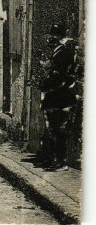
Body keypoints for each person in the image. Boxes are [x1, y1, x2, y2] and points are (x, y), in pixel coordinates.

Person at [37, 24, 78, 170]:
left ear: (59, 37)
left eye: (53, 36)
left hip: (60, 97)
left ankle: (60, 161)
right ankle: (52, 158)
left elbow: (58, 76)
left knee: (59, 130)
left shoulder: (63, 53)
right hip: (54, 96)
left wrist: (45, 83)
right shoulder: (57, 51)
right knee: (52, 129)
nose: (50, 39)